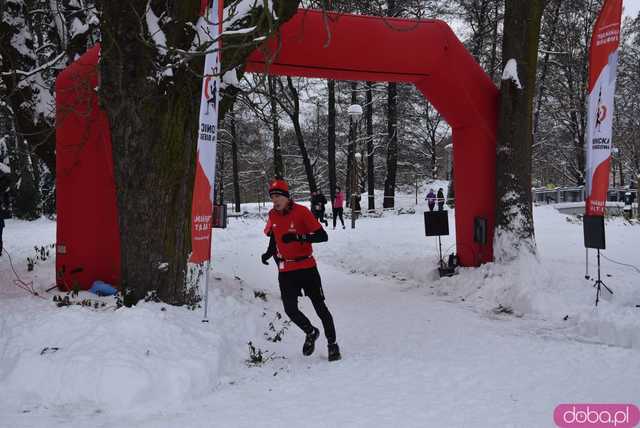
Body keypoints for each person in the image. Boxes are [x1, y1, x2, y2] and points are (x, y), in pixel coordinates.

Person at [261, 178, 341, 362]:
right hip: (286, 269)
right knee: (290, 309)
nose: (275, 201)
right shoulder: (273, 215)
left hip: (306, 267)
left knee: (319, 307)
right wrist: (268, 253)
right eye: (273, 197)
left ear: (287, 197)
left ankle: (332, 344)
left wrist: (299, 237)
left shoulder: (302, 212)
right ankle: (311, 332)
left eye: (279, 196)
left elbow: (323, 236)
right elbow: (275, 237)